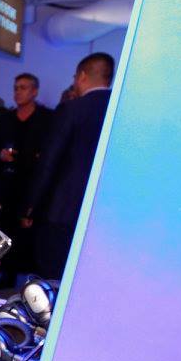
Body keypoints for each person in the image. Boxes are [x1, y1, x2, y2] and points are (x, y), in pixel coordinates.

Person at [23, 53, 116, 279]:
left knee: (54, 274)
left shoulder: (72, 109)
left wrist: (31, 205)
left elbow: (50, 161)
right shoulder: (121, 109)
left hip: (64, 208)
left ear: (82, 76)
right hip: (107, 209)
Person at [0, 72, 53, 282]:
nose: (17, 92)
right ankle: (4, 272)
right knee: (4, 227)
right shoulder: (5, 118)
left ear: (34, 91)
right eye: (16, 88)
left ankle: (24, 274)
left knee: (27, 229)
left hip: (33, 183)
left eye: (23, 88)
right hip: (7, 181)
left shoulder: (46, 118)